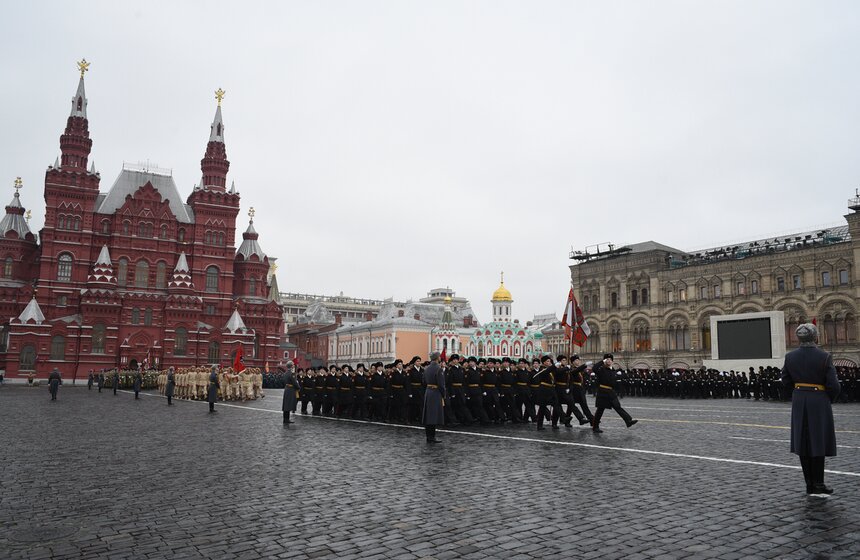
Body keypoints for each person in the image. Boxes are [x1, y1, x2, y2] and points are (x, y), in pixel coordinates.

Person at [780, 323, 840, 496]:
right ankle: (818, 483)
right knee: (818, 440)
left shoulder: (790, 356)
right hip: (818, 400)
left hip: (799, 398)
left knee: (803, 442)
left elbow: (785, 380)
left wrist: (798, 392)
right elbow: (833, 385)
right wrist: (828, 399)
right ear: (815, 337)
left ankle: (809, 484)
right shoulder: (824, 356)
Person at [591, 354, 637, 433]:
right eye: (607, 359)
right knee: (600, 410)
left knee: (618, 407)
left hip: (611, 392)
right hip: (603, 392)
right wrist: (602, 362)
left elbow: (613, 382)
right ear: (604, 361)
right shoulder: (601, 369)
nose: (609, 360)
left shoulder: (613, 370)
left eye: (610, 359)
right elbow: (594, 368)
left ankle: (628, 421)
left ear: (612, 361)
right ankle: (595, 427)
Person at [422, 351, 446, 443]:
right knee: (433, 416)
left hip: (428, 392)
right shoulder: (438, 369)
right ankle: (432, 437)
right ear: (437, 358)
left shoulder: (426, 368)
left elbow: (423, 382)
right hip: (435, 393)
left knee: (429, 416)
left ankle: (429, 436)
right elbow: (441, 384)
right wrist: (443, 395)